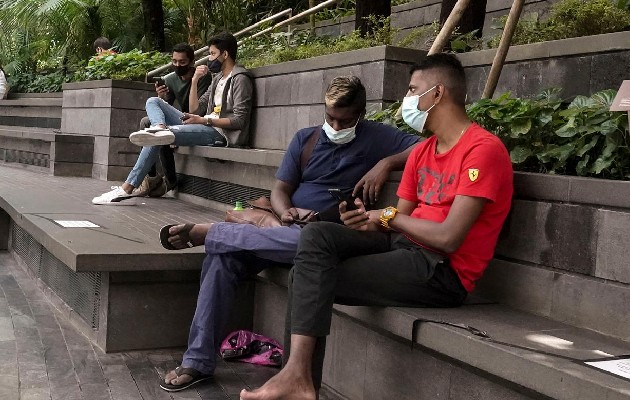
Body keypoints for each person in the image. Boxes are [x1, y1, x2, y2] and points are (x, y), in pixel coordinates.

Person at [240, 54, 514, 400]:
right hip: (406, 250)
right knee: (318, 235)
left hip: (443, 271)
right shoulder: (422, 152)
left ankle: (297, 378)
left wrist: (385, 216)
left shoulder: (482, 150)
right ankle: (298, 379)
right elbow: (397, 224)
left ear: (438, 93)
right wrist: (366, 223)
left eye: (414, 89)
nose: (408, 99)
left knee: (305, 278)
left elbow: (447, 238)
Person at [157, 76, 420, 392]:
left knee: (284, 241)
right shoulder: (305, 139)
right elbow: (280, 189)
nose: (335, 125)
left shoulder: (378, 138)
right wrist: (284, 212)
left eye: (344, 120)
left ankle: (214, 233)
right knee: (223, 258)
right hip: (285, 229)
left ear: (361, 114)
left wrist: (387, 163)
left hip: (328, 239)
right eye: (330, 117)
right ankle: (197, 362)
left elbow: (426, 147)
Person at [92, 32, 253, 205]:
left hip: (220, 134)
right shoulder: (218, 79)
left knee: (156, 138)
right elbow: (195, 109)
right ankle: (159, 127)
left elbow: (239, 120)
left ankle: (127, 188)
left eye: (213, 54)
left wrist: (204, 120)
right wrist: (194, 81)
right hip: (204, 123)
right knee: (154, 101)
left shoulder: (240, 79)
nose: (209, 58)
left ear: (225, 54)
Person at [137, 43, 212, 196]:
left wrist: (194, 81)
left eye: (182, 62)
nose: (177, 65)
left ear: (191, 62)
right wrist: (161, 97)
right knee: (147, 123)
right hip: (180, 118)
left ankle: (170, 180)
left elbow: (197, 109)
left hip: (197, 120)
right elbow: (165, 109)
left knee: (162, 131)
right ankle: (152, 178)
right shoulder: (170, 79)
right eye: (174, 61)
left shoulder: (202, 77)